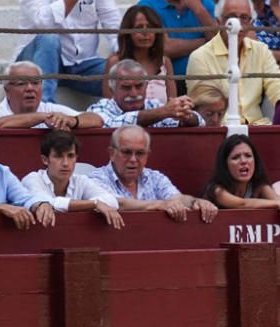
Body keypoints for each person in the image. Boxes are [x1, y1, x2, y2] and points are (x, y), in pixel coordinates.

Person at [186, 0, 280, 125]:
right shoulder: (200, 57)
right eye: (231, 17)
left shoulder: (260, 50)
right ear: (219, 21)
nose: (237, 24)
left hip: (259, 126)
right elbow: (205, 108)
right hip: (220, 130)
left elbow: (279, 90)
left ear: (251, 23)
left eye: (244, 18)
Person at [90, 126, 218, 223]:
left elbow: (176, 198)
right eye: (127, 152)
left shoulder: (155, 178)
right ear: (112, 153)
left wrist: (195, 202)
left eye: (140, 153)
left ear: (147, 156)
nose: (133, 159)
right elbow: (116, 203)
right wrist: (157, 205)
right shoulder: (95, 179)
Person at [15, 0, 121, 102]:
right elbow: (43, 23)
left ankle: (124, 115)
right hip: (39, 62)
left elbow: (114, 27)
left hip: (84, 64)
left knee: (123, 73)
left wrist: (123, 55)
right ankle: (42, 110)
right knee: (48, 39)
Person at [21, 130, 124, 229]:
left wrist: (94, 204)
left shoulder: (80, 180)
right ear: (45, 160)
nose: (66, 163)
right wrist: (94, 204)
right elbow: (48, 202)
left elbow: (111, 201)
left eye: (70, 156)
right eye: (58, 156)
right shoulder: (32, 179)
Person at [204, 134, 280, 225]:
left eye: (248, 156)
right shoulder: (216, 190)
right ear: (225, 165)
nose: (243, 161)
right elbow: (242, 204)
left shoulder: (259, 185)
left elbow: (278, 200)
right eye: (235, 157)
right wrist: (279, 204)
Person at [0, 62, 104, 131]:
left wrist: (73, 121)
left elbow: (97, 120)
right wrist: (41, 117)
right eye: (22, 83)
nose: (30, 88)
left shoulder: (51, 110)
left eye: (35, 83)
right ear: (7, 90)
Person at [88, 60, 203, 128]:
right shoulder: (101, 108)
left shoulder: (154, 105)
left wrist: (185, 114)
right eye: (126, 87)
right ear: (112, 90)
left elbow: (200, 121)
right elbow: (113, 124)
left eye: (139, 86)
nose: (133, 93)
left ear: (146, 85)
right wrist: (163, 112)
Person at [137, 0, 218, 94]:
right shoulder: (148, 5)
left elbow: (218, 42)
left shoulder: (205, 3)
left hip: (205, 79)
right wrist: (207, 42)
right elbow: (164, 48)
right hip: (167, 82)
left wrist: (198, 9)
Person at [103, 5, 177, 102]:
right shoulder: (115, 63)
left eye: (150, 27)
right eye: (139, 27)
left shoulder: (164, 62)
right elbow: (109, 104)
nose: (145, 33)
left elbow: (173, 103)